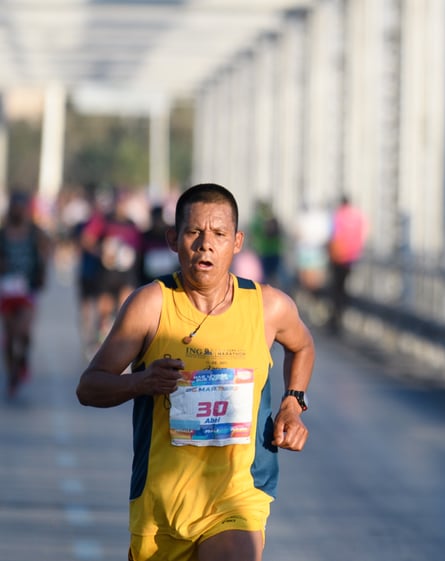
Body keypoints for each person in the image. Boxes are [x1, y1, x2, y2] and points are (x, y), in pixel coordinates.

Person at [76, 183, 316, 561]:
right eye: (194, 232)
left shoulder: (268, 307)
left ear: (237, 242)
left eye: (219, 234)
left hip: (237, 497)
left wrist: (293, 402)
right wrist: (142, 382)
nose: (206, 244)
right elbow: (89, 387)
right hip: (162, 504)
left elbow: (302, 345)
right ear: (173, 239)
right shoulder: (150, 305)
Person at [0, 191, 51, 397]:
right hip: (6, 289)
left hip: (28, 288)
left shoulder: (34, 232)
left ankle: (23, 359)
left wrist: (42, 270)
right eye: (15, 207)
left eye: (21, 207)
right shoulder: (3, 234)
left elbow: (47, 248)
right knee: (10, 334)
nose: (18, 211)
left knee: (24, 331)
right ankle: (12, 372)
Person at [80, 189, 142, 342]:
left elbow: (139, 246)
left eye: (124, 203)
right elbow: (86, 240)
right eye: (119, 203)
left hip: (125, 273)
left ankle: (120, 340)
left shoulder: (131, 224)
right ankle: (100, 336)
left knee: (126, 307)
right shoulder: (104, 221)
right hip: (106, 273)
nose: (121, 207)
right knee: (104, 310)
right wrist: (102, 252)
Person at [327, 194, 368, 334]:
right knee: (344, 288)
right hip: (351, 258)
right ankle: (341, 315)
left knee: (336, 288)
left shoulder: (338, 215)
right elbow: (363, 235)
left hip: (338, 257)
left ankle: (335, 319)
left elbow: (332, 235)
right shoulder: (358, 216)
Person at [138, 204, 180, 286]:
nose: (158, 222)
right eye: (155, 219)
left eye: (159, 218)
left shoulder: (171, 235)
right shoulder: (145, 236)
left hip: (171, 280)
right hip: (149, 280)